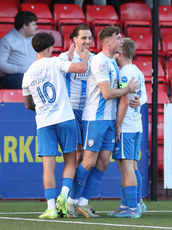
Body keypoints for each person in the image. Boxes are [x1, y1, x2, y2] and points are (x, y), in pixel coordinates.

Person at [66, 26, 138, 218]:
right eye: (118, 38)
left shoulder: (113, 63)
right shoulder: (99, 61)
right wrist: (127, 89)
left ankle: (83, 202)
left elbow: (120, 89)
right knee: (88, 162)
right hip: (95, 119)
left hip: (109, 120)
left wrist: (131, 95)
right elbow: (107, 93)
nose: (122, 42)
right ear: (108, 42)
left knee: (104, 162)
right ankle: (70, 201)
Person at [22, 32, 90, 219]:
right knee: (70, 161)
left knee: (48, 165)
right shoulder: (54, 62)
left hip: (44, 122)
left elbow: (28, 104)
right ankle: (64, 194)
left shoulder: (27, 74)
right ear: (50, 48)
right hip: (65, 118)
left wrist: (43, 108)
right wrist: (83, 57)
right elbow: (80, 68)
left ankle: (51, 207)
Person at [107, 37, 147, 218]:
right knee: (133, 166)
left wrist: (117, 125)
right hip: (136, 124)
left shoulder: (123, 73)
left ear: (120, 53)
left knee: (126, 167)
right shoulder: (138, 71)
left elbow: (123, 101)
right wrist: (138, 101)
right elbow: (144, 97)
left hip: (127, 125)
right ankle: (134, 203)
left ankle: (130, 207)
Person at [59, 24, 94, 168]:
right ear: (75, 39)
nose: (87, 41)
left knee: (89, 156)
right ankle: (70, 189)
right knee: (77, 153)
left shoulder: (96, 59)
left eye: (90, 38)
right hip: (71, 110)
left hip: (89, 112)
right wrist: (68, 60)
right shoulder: (63, 57)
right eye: (84, 38)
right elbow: (57, 79)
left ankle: (77, 188)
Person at [0, 11, 38, 89]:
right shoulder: (7, 40)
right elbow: (1, 64)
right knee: (23, 80)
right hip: (12, 77)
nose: (36, 27)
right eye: (34, 24)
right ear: (25, 25)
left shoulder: (35, 40)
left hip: (32, 75)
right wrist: (21, 69)